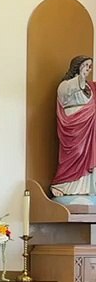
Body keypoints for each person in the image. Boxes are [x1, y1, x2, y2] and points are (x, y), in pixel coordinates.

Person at [50, 55, 95, 197]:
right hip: (73, 127)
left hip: (89, 126)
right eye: (85, 65)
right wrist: (80, 78)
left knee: (88, 155)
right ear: (77, 66)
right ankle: (63, 185)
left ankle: (85, 189)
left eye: (90, 66)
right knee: (76, 152)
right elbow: (65, 94)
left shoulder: (90, 86)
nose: (88, 69)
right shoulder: (66, 84)